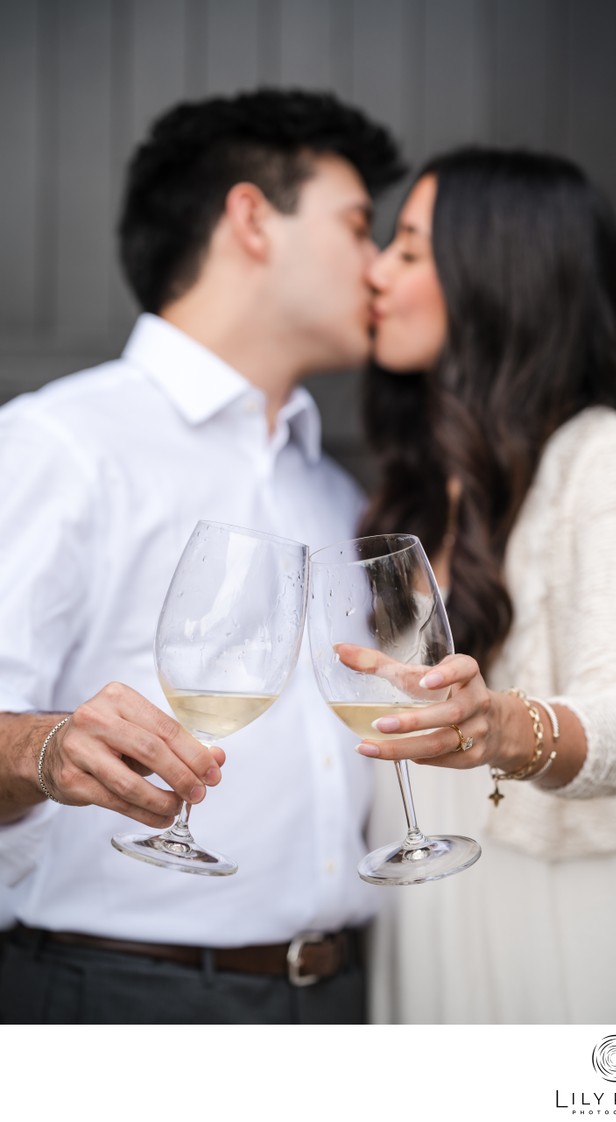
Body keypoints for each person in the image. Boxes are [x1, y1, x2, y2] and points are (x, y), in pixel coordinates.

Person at [0, 88, 405, 1024]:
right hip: (121, 1001)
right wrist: (48, 746)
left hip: (344, 1001)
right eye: (356, 226)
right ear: (252, 218)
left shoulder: (339, 500)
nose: (379, 266)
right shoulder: (58, 446)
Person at [354, 147, 616, 1023]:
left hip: (564, 911)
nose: (375, 271)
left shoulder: (612, 460)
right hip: (423, 903)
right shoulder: (416, 483)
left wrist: (500, 724)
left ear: (499, 272)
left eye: (410, 250)